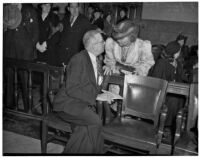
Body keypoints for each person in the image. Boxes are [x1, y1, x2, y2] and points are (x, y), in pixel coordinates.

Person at [53, 29, 110, 153]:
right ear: (94, 46)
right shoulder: (79, 59)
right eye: (102, 41)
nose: (104, 43)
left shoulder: (96, 60)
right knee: (95, 122)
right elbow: (72, 89)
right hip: (67, 104)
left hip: (80, 103)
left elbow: (95, 85)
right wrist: (96, 97)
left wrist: (105, 73)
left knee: (84, 130)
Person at [149, 41, 188, 141]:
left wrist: (176, 70)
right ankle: (162, 126)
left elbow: (182, 78)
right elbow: (156, 81)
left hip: (171, 90)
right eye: (179, 51)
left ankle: (168, 126)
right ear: (174, 52)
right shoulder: (161, 62)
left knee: (179, 98)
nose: (180, 53)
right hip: (159, 92)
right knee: (174, 100)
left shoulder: (177, 63)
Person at [3, 3, 39, 111]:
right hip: (9, 51)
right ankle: (9, 107)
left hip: (24, 53)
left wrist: (29, 48)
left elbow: (35, 31)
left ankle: (28, 108)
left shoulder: (29, 10)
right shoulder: (6, 9)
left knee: (26, 80)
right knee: (9, 79)